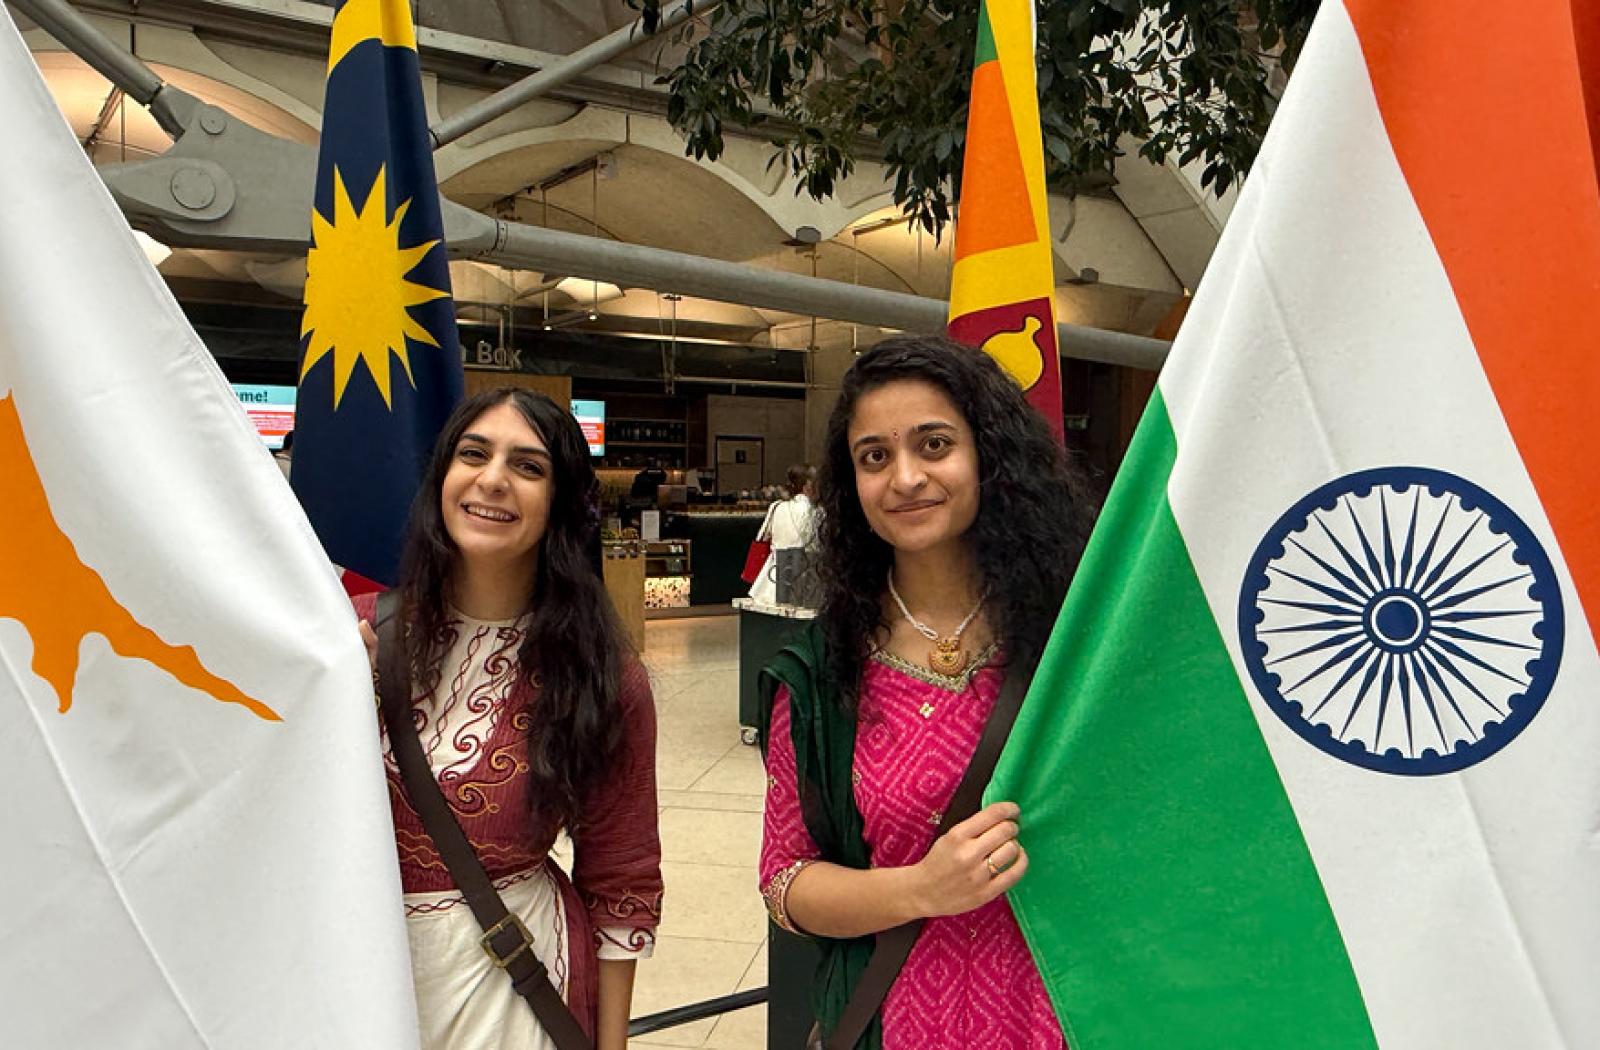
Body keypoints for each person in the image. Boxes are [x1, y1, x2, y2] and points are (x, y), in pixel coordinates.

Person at [757, 336, 1092, 1048]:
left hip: (1067, 1020)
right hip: (891, 1020)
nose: (905, 477)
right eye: (874, 456)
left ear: (989, 456)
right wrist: (920, 889)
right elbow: (786, 883)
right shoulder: (822, 671)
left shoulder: (1076, 644)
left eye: (934, 445)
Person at [354, 387, 662, 1050]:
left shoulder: (603, 676)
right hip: (354, 982)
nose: (492, 479)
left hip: (510, 994)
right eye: (473, 454)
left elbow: (622, 880)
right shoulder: (353, 636)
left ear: (560, 503)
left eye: (528, 466)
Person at [746, 463, 819, 606]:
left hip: (771, 581)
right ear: (807, 486)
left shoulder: (776, 507)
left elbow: (762, 537)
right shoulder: (816, 511)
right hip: (806, 582)